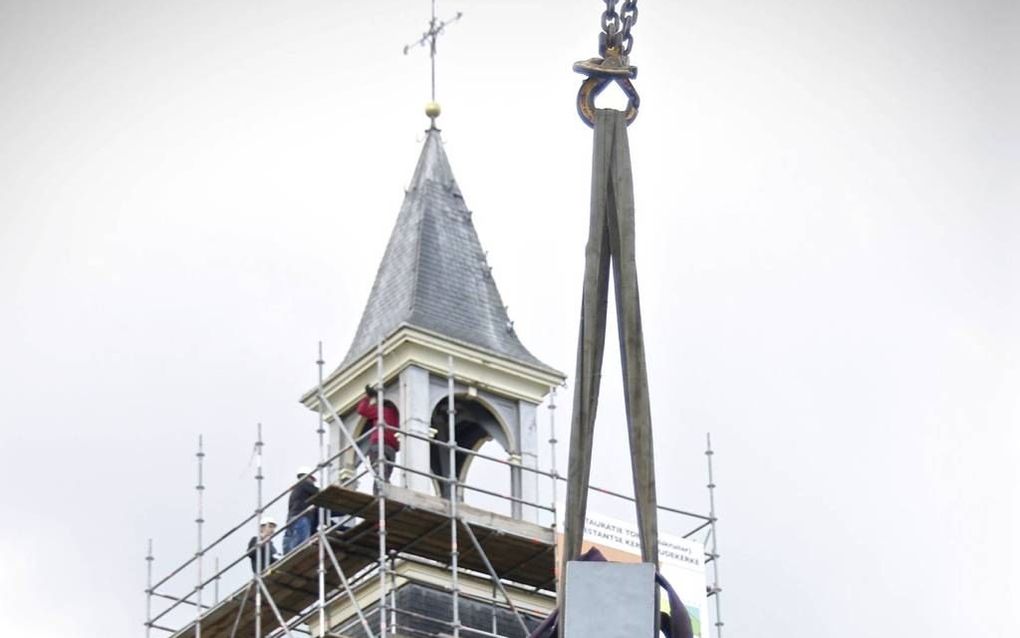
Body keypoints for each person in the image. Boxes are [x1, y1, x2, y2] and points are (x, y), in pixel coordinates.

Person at [357, 386, 401, 484]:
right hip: (392, 449)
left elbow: (361, 410)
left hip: (379, 445)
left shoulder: (382, 410)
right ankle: (385, 493)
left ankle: (380, 495)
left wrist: (368, 397)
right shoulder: (399, 415)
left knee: (379, 475)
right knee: (385, 476)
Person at [283, 466, 318, 553]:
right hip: (301, 517)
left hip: (291, 519)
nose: (313, 483)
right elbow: (318, 492)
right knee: (301, 546)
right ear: (309, 477)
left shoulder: (296, 490)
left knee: (291, 547)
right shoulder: (304, 484)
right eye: (313, 480)